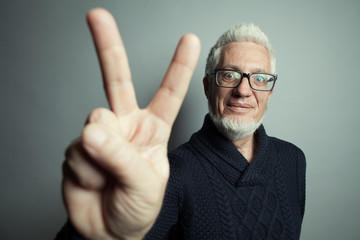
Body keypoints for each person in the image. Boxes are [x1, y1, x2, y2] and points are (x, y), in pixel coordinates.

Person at [56, 8, 306, 240]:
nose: (243, 90)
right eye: (229, 75)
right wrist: (105, 234)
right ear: (208, 87)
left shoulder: (292, 159)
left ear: (269, 92)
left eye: (260, 78)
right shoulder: (169, 174)